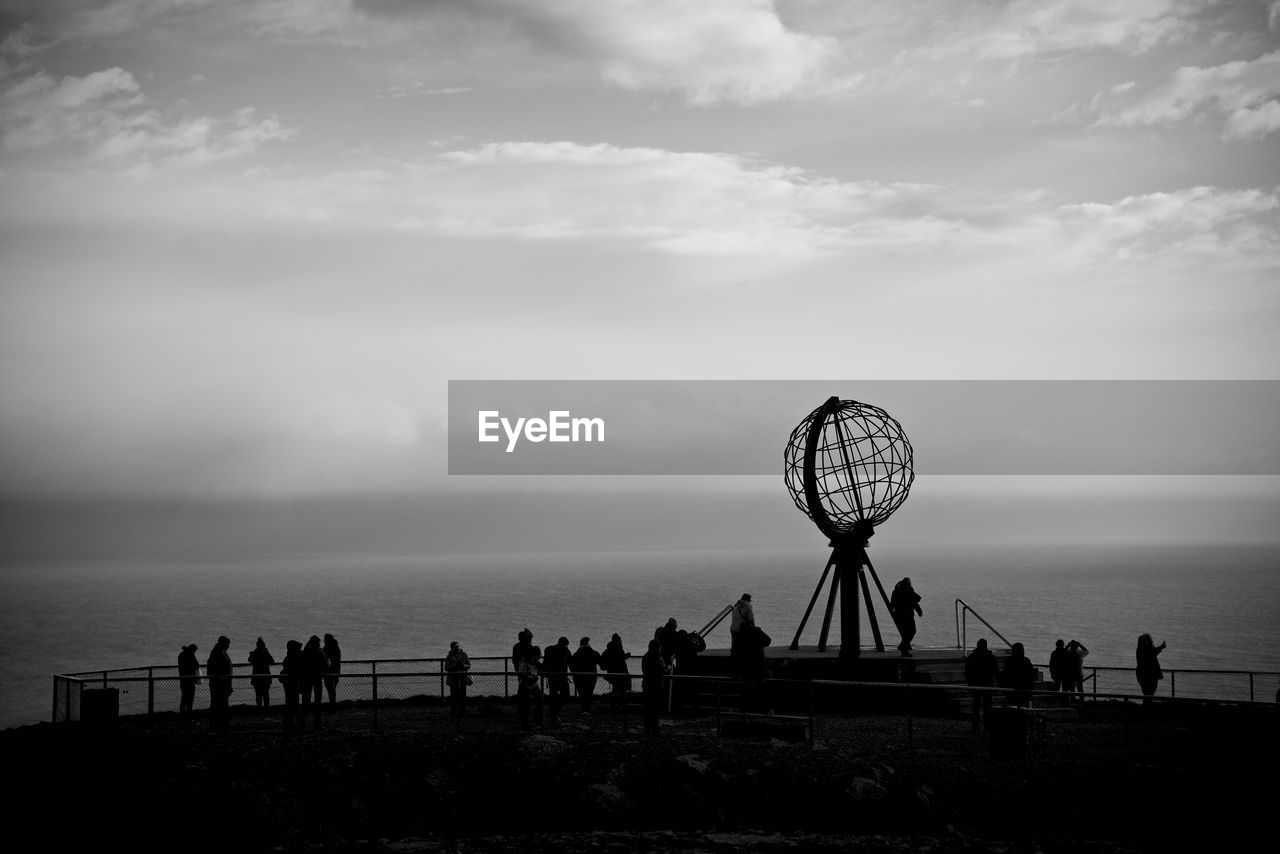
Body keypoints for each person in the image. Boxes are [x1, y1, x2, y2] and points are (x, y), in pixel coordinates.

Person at [964, 638, 1000, 732]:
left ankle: (975, 726)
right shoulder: (991, 657)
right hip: (988, 684)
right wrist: (998, 682)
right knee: (987, 707)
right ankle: (986, 726)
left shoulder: (972, 657)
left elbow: (967, 671)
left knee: (976, 706)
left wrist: (969, 683)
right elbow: (996, 671)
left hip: (976, 684)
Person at [542, 636, 573, 724]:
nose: (566, 647)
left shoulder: (551, 650)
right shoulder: (552, 650)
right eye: (565, 645)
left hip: (560, 677)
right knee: (555, 697)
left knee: (563, 696)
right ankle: (553, 715)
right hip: (555, 676)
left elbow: (570, 661)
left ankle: (554, 714)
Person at [299, 635, 327, 729]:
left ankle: (302, 721)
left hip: (306, 678)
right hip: (317, 678)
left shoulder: (304, 653)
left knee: (305, 700)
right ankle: (317, 722)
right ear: (317, 643)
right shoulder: (319, 653)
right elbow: (326, 665)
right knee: (317, 700)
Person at [206, 635, 233, 730]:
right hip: (220, 683)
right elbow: (222, 670)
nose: (228, 646)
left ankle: (218, 722)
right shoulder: (219, 654)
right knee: (220, 703)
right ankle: (219, 722)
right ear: (223, 644)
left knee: (218, 703)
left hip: (220, 683)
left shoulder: (216, 653)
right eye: (227, 644)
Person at [890, 577, 923, 656]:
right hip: (907, 616)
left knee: (906, 633)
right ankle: (903, 647)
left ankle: (904, 647)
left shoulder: (897, 590)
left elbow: (893, 604)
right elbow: (914, 601)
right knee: (911, 631)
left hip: (899, 615)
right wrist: (919, 611)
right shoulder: (908, 590)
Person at [641, 638, 666, 736]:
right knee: (655, 708)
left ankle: (646, 729)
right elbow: (662, 669)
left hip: (647, 684)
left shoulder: (646, 656)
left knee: (647, 708)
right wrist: (667, 667)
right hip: (656, 685)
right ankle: (655, 729)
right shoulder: (657, 657)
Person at [1000, 642, 1036, 708]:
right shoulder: (1026, 661)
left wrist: (1003, 687)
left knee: (1011, 708)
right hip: (1024, 689)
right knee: (1023, 708)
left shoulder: (1009, 661)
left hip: (1011, 689)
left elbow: (1004, 675)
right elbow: (1031, 677)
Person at [570, 637, 601, 712]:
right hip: (591, 676)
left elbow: (571, 665)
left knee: (581, 693)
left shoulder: (576, 654)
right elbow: (602, 664)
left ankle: (583, 708)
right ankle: (588, 708)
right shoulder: (594, 653)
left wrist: (574, 673)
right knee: (589, 692)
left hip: (579, 677)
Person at [516, 645, 543, 731]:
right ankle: (526, 724)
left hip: (534, 685)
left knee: (540, 701)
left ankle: (535, 720)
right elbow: (521, 674)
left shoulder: (536, 663)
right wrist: (530, 679)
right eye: (538, 655)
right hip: (525, 686)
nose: (539, 657)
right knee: (525, 706)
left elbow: (541, 670)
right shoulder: (524, 663)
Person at [1136, 634, 1167, 706]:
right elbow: (1151, 653)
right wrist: (1161, 647)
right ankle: (1147, 710)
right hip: (1147, 675)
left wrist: (1160, 648)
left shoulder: (1144, 649)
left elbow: (1152, 652)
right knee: (1148, 694)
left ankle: (1146, 710)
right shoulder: (1143, 649)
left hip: (1147, 675)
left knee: (1148, 694)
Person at [278, 639, 302, 730]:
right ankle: (291, 722)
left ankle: (289, 722)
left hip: (288, 682)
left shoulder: (288, 658)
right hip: (292, 682)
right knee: (293, 703)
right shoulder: (294, 658)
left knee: (289, 702)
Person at [601, 633, 632, 703]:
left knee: (615, 690)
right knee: (621, 690)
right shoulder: (618, 648)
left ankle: (614, 704)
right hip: (621, 673)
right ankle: (621, 704)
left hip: (612, 672)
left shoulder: (609, 649)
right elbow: (620, 659)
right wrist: (626, 656)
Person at [444, 640, 472, 717]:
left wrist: (463, 665)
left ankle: (462, 710)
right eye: (455, 647)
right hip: (453, 678)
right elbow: (446, 668)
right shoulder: (449, 656)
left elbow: (469, 665)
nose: (457, 648)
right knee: (453, 695)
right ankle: (453, 710)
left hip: (462, 677)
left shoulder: (464, 654)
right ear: (452, 648)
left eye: (458, 646)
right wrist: (454, 665)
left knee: (462, 694)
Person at [248, 637, 275, 708]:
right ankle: (266, 708)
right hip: (265, 677)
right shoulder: (266, 653)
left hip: (256, 677)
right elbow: (272, 661)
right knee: (266, 694)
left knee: (258, 694)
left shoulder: (254, 653)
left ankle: (259, 707)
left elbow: (249, 660)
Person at [729, 593, 756, 665]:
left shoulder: (736, 605)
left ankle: (733, 661)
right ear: (749, 599)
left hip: (733, 628)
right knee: (743, 646)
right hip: (742, 629)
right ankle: (742, 662)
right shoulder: (748, 606)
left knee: (735, 645)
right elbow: (751, 618)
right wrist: (753, 626)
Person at [177, 643, 201, 716]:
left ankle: (182, 714)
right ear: (193, 650)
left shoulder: (181, 654)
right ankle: (188, 714)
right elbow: (197, 665)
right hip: (190, 680)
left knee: (184, 698)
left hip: (183, 679)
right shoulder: (191, 655)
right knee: (190, 698)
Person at [322, 633, 341, 706]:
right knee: (332, 689)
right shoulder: (336, 648)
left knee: (330, 689)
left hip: (328, 672)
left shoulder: (327, 649)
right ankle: (332, 704)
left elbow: (325, 659)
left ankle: (332, 704)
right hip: (336, 671)